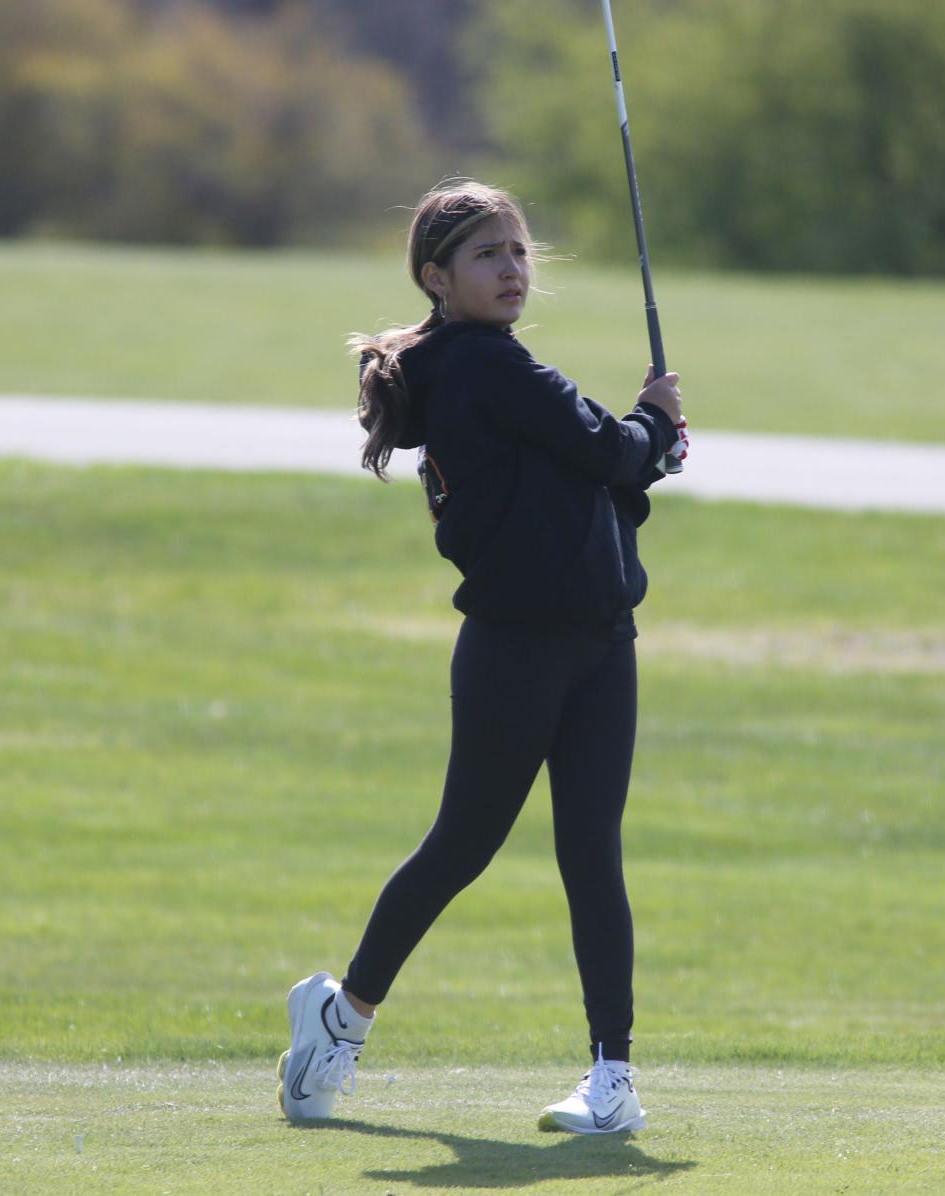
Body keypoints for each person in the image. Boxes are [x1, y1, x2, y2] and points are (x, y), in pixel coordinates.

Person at [278, 179, 687, 1134]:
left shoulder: (497, 367)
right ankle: (342, 1020)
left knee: (593, 855)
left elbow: (600, 471)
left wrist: (646, 446)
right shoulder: (484, 368)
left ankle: (612, 1077)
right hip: (516, 649)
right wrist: (656, 424)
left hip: (597, 640)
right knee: (463, 844)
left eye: (518, 251)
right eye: (486, 255)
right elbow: (605, 450)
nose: (512, 270)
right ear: (438, 278)